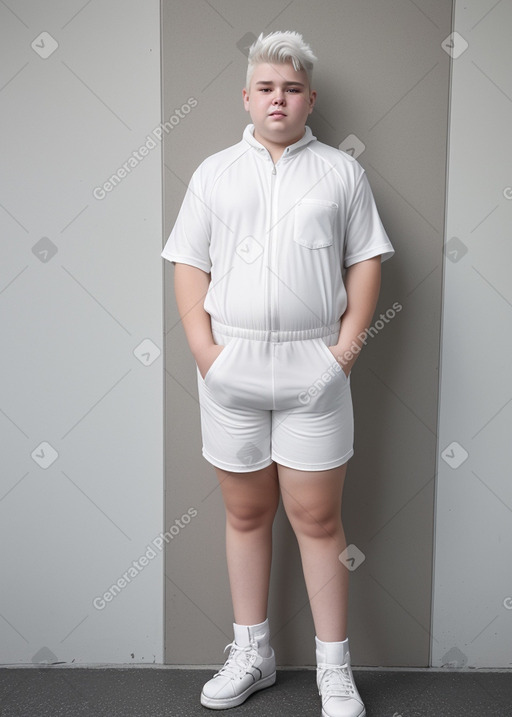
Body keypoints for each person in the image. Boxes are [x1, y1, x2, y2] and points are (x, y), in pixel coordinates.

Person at [161, 30, 394, 717]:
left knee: (318, 517)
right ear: (247, 96)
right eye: (266, 87)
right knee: (245, 512)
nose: (278, 99)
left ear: (309, 98)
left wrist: (342, 356)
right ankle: (253, 652)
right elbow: (188, 265)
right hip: (230, 369)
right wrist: (208, 356)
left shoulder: (342, 173)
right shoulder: (213, 173)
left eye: (291, 89)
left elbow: (368, 262)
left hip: (314, 369)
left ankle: (334, 668)